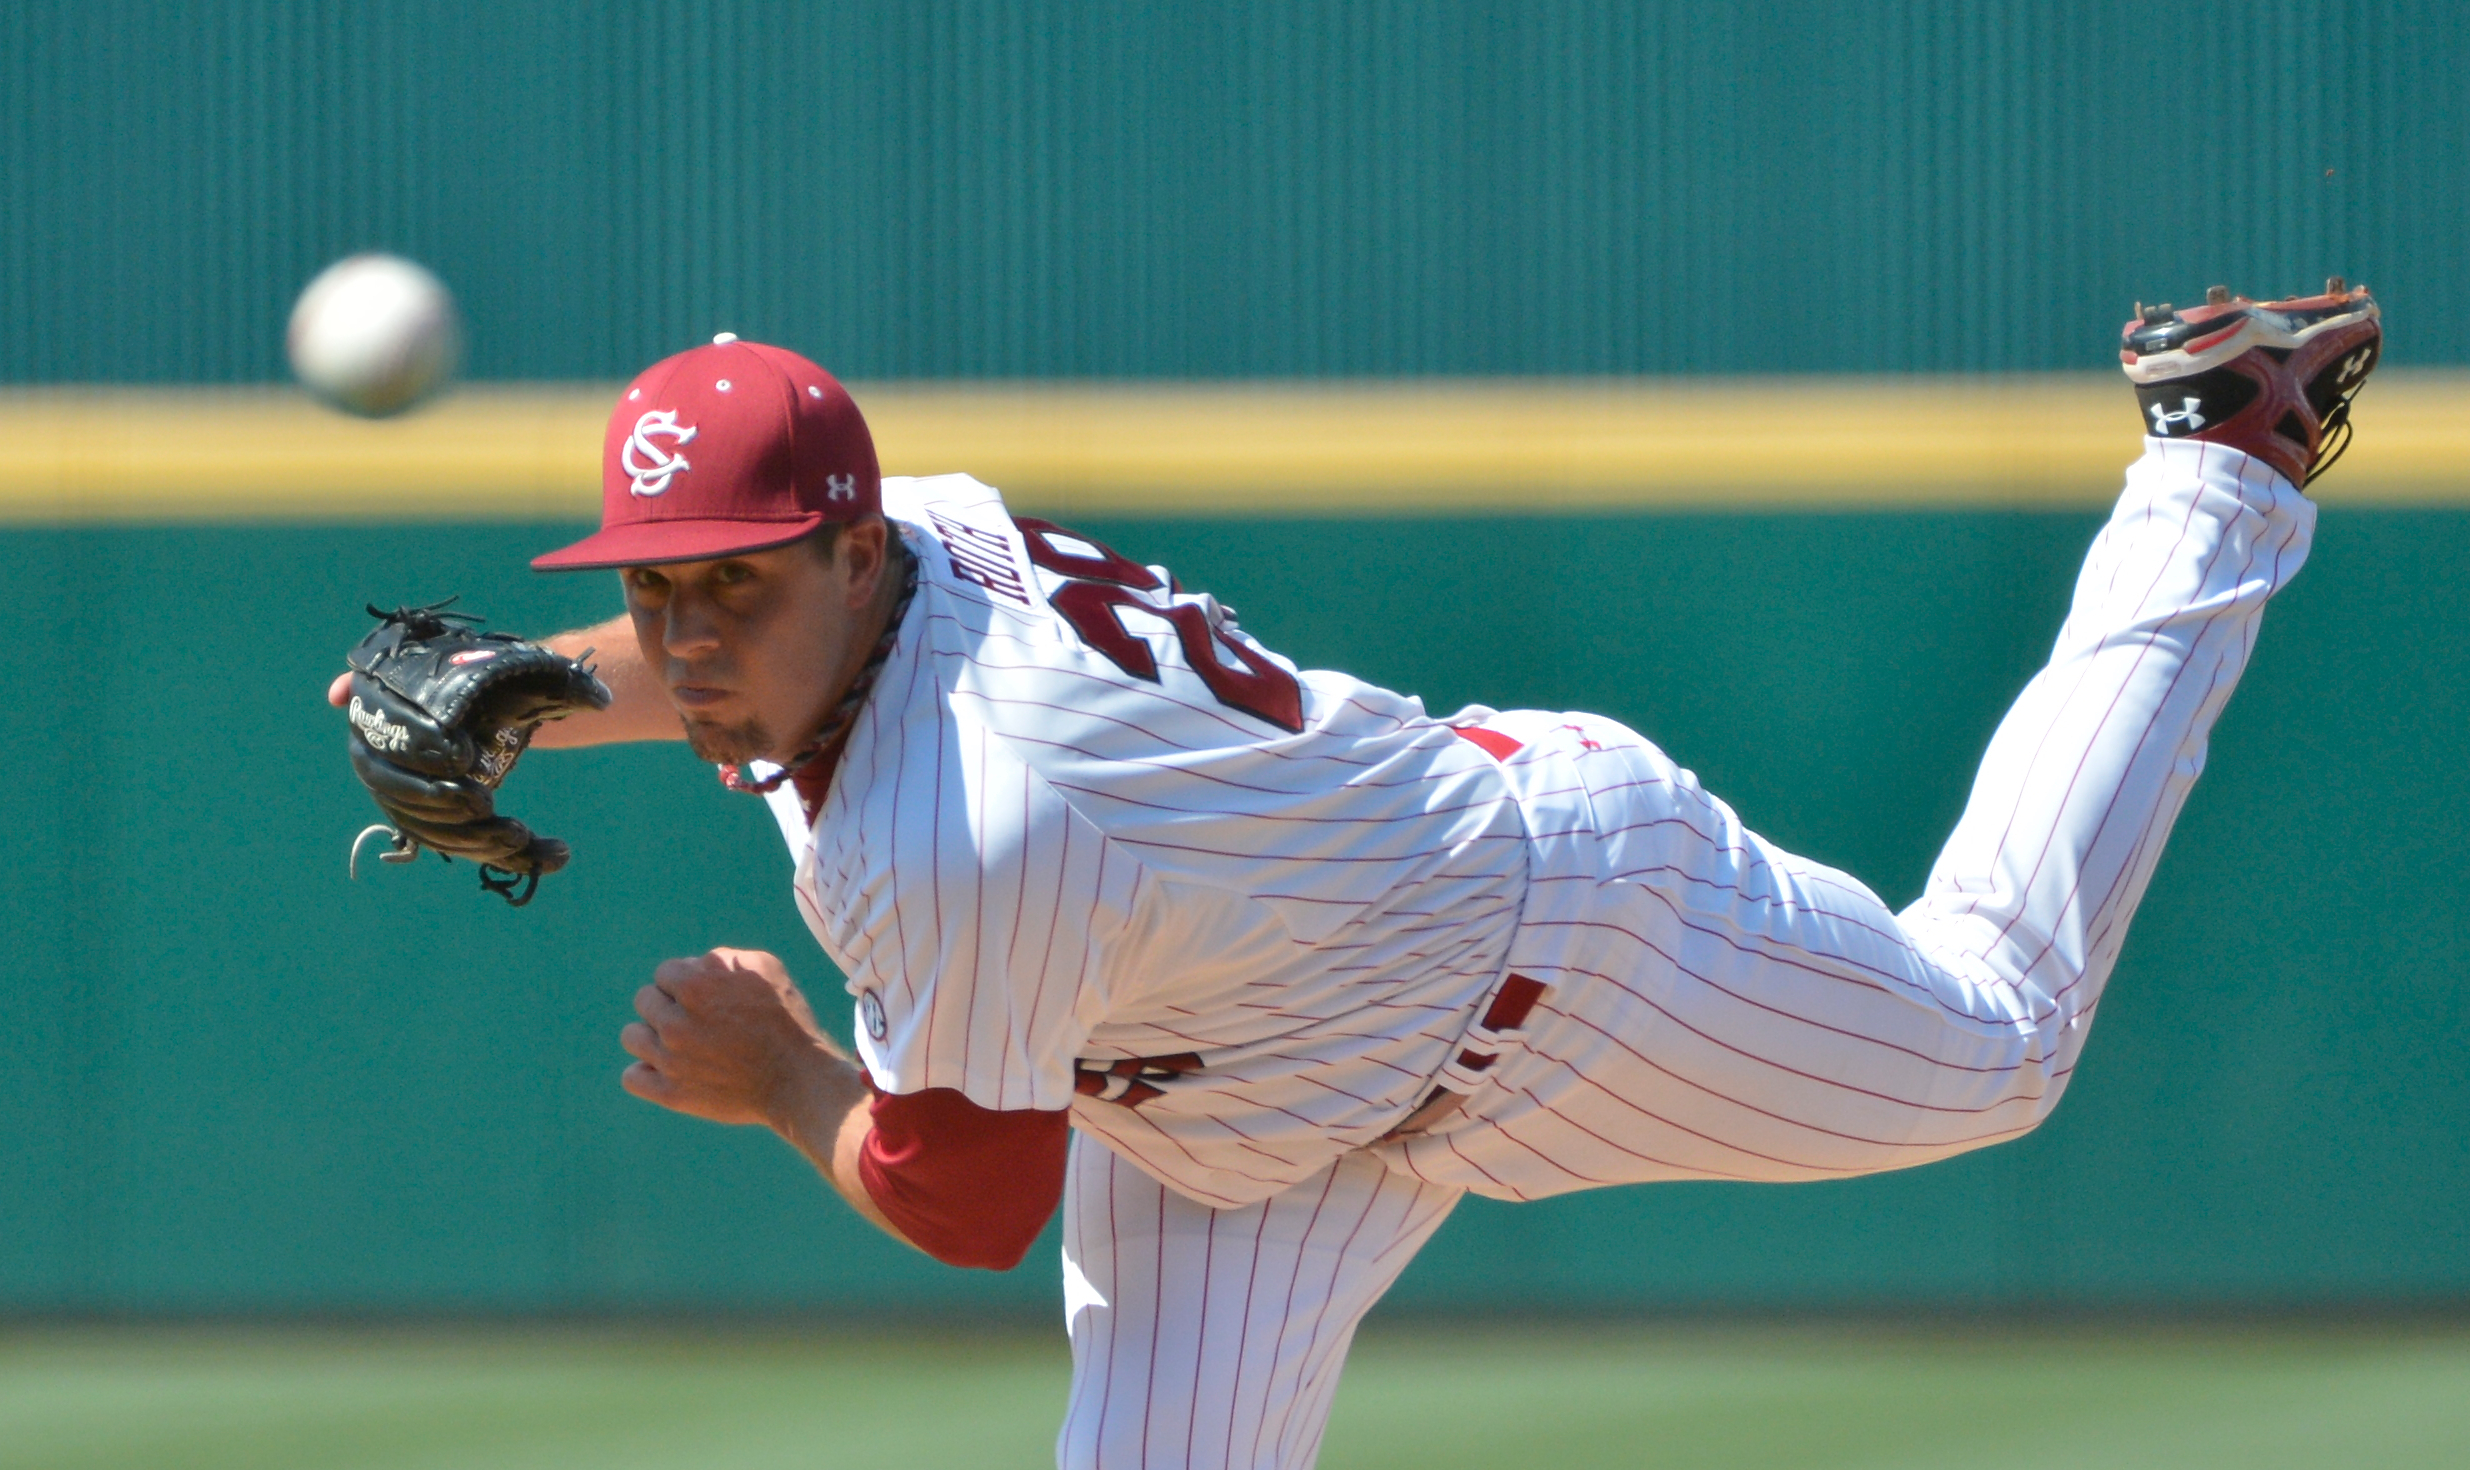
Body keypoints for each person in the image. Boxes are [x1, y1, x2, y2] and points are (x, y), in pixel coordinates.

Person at [333, 285, 2379, 1468]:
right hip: (1227, 1100)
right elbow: (724, 661)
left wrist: (776, 1074)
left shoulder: (967, 826)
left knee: (1998, 1041)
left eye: (737, 591)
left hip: (1557, 964)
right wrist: (523, 694)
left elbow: (963, 1200)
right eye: (649, 597)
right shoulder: (915, 531)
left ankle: (2212, 463)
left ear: (854, 556)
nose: (685, 643)